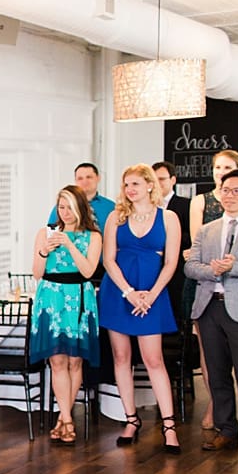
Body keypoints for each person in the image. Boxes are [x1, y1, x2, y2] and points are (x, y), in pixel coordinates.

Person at [97, 164, 182, 453]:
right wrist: (130, 293)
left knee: (154, 359)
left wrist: (151, 295)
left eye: (135, 184)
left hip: (153, 294)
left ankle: (169, 426)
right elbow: (108, 260)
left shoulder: (168, 218)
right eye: (126, 185)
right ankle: (131, 419)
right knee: (121, 358)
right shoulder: (115, 217)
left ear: (149, 185)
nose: (129, 190)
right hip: (119, 292)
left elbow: (171, 262)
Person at [30, 186, 102, 445]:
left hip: (79, 297)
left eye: (70, 206)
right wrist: (44, 252)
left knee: (75, 362)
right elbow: (37, 273)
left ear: (80, 207)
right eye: (61, 207)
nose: (65, 212)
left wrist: (70, 244)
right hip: (51, 297)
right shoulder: (45, 233)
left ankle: (63, 417)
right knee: (57, 361)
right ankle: (67, 419)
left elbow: (87, 271)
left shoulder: (93, 236)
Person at [185, 168, 238, 452]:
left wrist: (234, 268)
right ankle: (227, 429)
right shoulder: (207, 230)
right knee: (217, 372)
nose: (230, 195)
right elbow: (190, 266)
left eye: (237, 190)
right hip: (210, 308)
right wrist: (212, 270)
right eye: (225, 190)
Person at [153, 161, 192, 329]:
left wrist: (169, 236)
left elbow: (192, 235)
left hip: (177, 268)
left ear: (173, 180)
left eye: (162, 179)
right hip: (152, 267)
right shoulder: (146, 207)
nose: (158, 184)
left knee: (176, 310)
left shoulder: (186, 204)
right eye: (154, 179)